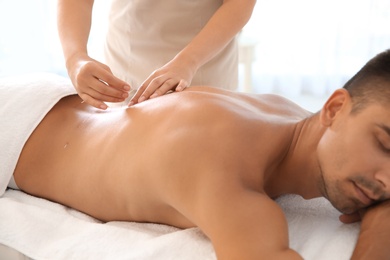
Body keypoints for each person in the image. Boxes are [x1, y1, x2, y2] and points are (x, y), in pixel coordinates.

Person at [7, 49, 390, 259]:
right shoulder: (227, 177)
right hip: (12, 129)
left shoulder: (287, 115)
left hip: (52, 101)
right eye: (383, 145)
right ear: (335, 109)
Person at [57, 0, 256, 110]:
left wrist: (188, 62)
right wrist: (75, 59)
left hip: (203, 71)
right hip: (124, 73)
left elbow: (240, 3)